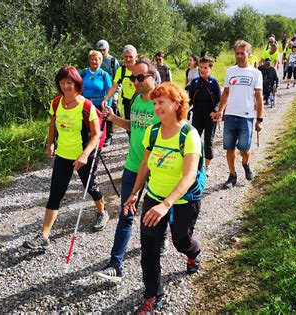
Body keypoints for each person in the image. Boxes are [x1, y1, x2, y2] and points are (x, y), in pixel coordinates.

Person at [124, 82, 203, 313]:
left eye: (161, 102)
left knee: (180, 240)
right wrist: (135, 193)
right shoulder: (153, 131)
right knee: (149, 248)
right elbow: (145, 166)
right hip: (154, 197)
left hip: (183, 199)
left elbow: (189, 176)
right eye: (155, 102)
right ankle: (152, 294)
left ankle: (193, 252)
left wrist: (166, 205)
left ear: (177, 103)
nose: (156, 107)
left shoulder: (190, 135)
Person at [94, 57, 169, 283]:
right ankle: (116, 264)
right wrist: (113, 118)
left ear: (152, 76)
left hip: (158, 169)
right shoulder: (135, 98)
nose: (134, 82)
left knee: (157, 214)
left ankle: (164, 236)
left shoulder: (163, 101)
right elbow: (133, 125)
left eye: (139, 77)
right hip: (133, 165)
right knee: (126, 215)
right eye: (132, 77)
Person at [22, 66, 107, 250]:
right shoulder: (56, 103)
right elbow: (52, 124)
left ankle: (102, 212)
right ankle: (44, 237)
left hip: (83, 155)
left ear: (77, 83)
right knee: (55, 195)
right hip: (63, 156)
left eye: (69, 82)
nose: (65, 86)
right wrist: (50, 143)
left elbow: (96, 135)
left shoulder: (86, 106)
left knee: (90, 187)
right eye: (62, 83)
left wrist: (84, 155)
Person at [211, 40, 263, 189]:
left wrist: (259, 120)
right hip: (230, 115)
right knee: (229, 148)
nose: (240, 56)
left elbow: (259, 98)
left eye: (243, 53)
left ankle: (246, 164)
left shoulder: (255, 73)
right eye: (237, 53)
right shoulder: (230, 71)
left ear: (249, 54)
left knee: (244, 149)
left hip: (246, 116)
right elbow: (226, 92)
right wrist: (220, 110)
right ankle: (232, 176)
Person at [188, 56, 221, 176]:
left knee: (208, 141)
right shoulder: (195, 82)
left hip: (210, 117)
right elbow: (190, 99)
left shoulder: (214, 83)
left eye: (205, 68)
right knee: (194, 141)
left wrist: (216, 110)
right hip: (197, 115)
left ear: (210, 68)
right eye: (201, 67)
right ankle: (195, 165)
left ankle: (207, 166)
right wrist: (183, 108)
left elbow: (220, 100)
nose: (202, 70)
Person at [101, 45, 137, 122]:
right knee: (128, 124)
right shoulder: (121, 70)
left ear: (135, 57)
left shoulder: (140, 69)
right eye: (126, 57)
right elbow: (114, 86)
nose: (128, 59)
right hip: (127, 101)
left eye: (130, 57)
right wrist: (106, 99)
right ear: (123, 57)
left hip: (139, 100)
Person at [96, 39, 120, 146]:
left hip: (111, 90)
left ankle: (109, 136)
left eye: (103, 50)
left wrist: (116, 93)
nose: (101, 52)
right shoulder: (96, 60)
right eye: (99, 50)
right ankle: (98, 134)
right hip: (99, 91)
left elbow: (119, 78)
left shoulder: (113, 61)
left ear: (108, 49)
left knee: (110, 111)